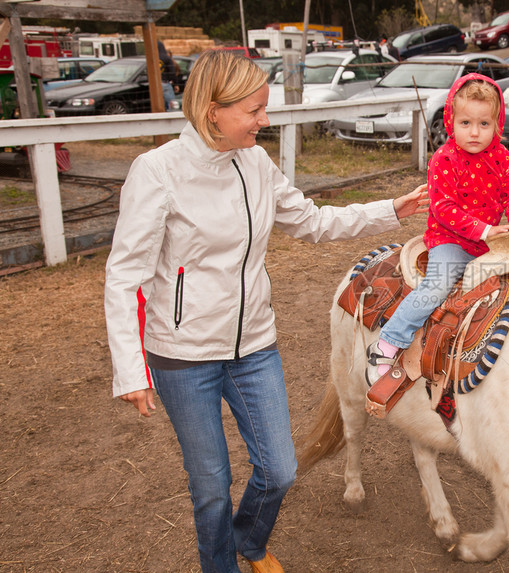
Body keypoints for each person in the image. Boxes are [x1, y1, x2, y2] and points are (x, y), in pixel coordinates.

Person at [104, 49, 428, 573]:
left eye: (265, 107)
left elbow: (312, 220)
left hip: (254, 345)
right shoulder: (158, 171)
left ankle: (248, 542)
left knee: (279, 471)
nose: (265, 120)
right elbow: (123, 275)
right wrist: (130, 369)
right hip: (182, 357)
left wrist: (391, 210)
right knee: (210, 485)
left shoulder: (255, 162)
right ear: (214, 110)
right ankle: (222, 566)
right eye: (254, 110)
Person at [365, 73, 509, 385]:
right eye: (466, 123)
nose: (474, 132)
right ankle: (387, 344)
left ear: (498, 124)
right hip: (450, 241)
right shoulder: (444, 159)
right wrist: (483, 230)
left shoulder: (502, 157)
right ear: (450, 121)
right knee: (437, 287)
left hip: (489, 244)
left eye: (484, 124)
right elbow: (443, 208)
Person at [157, 40, 179, 109]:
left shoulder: (152, 58)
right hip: (165, 83)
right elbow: (172, 72)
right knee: (172, 106)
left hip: (154, 85)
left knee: (160, 107)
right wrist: (175, 83)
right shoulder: (167, 58)